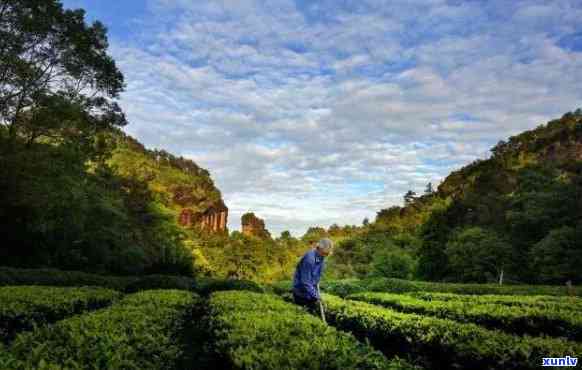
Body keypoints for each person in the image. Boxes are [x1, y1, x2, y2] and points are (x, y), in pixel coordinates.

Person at [292, 238, 334, 313]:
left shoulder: (321, 257)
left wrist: (317, 286)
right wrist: (317, 296)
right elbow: (305, 282)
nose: (327, 255)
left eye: (327, 253)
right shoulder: (309, 260)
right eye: (325, 253)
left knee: (312, 312)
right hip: (301, 293)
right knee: (304, 315)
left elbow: (317, 274)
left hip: (310, 291)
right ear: (319, 249)